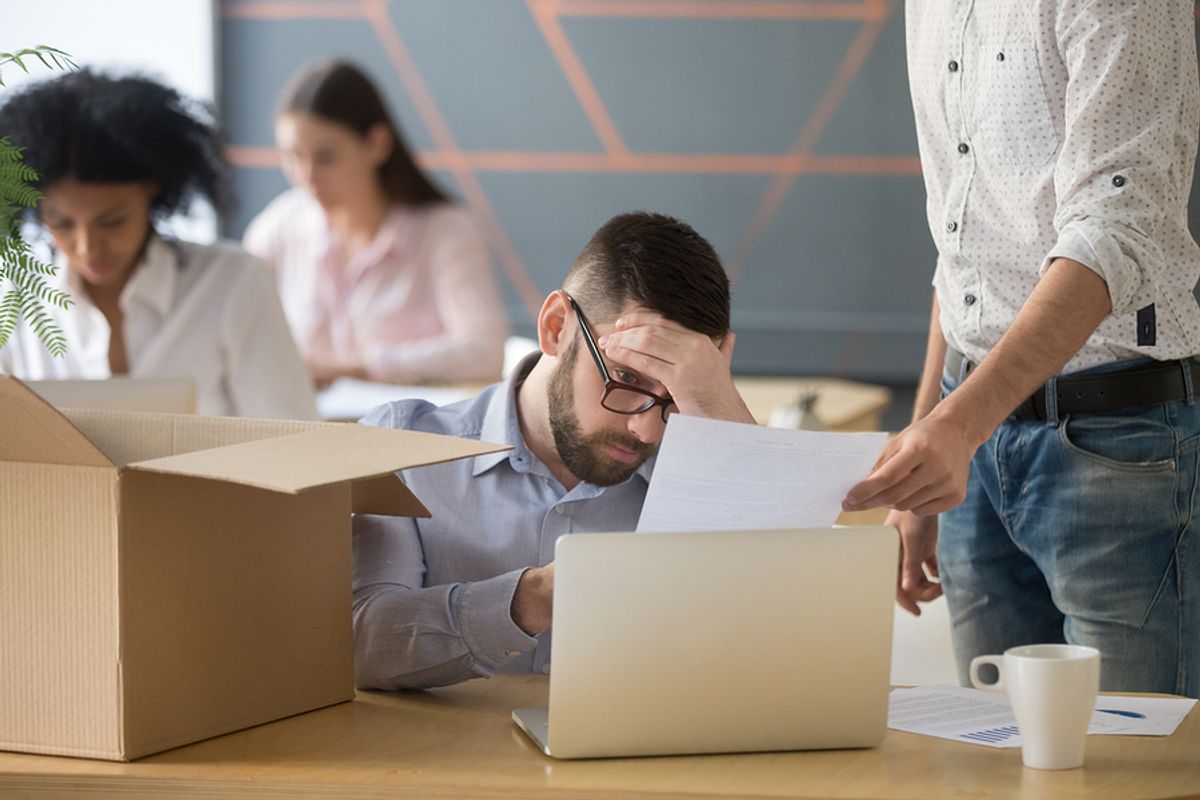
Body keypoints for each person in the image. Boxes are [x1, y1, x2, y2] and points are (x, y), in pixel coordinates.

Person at [843, 1, 1200, 696]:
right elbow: (963, 256)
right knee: (990, 763)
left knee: (1127, 768)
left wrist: (954, 428)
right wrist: (930, 443)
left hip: (1117, 446)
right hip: (971, 446)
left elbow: (1112, 236)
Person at [352, 211, 754, 690]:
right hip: (431, 763)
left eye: (675, 396)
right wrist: (533, 599)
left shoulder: (715, 476)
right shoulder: (403, 449)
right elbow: (360, 644)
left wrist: (725, 415)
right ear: (556, 327)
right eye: (626, 379)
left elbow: (789, 643)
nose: (646, 430)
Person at [0, 70, 317, 420]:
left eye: (112, 221)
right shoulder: (13, 301)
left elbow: (293, 443)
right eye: (61, 224)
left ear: (153, 189)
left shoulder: (233, 284)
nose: (88, 247)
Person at [243, 61, 507, 387]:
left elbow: (486, 352)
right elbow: (238, 337)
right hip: (300, 428)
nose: (306, 176)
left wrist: (357, 369)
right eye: (292, 156)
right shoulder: (276, 228)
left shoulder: (447, 232)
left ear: (377, 144)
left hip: (413, 430)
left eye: (326, 157)